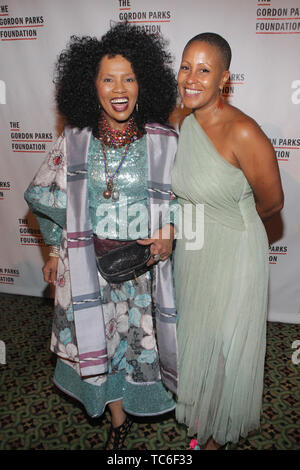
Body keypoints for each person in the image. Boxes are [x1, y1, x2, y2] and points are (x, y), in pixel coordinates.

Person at [24, 23, 179, 450]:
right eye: (107, 78)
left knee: (136, 349)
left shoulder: (164, 141)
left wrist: (171, 228)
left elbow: (190, 197)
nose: (119, 88)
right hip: (89, 272)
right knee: (102, 350)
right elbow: (47, 197)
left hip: (143, 274)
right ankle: (117, 420)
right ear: (90, 86)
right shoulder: (74, 142)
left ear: (142, 83)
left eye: (129, 77)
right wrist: (55, 251)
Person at [171, 33, 284, 450]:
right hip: (193, 247)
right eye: (186, 67)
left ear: (224, 78)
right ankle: (203, 413)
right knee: (197, 333)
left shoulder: (244, 132)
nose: (191, 78)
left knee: (224, 342)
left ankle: (215, 436)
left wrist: (226, 221)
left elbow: (272, 203)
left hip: (235, 248)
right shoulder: (179, 121)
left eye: (204, 69)